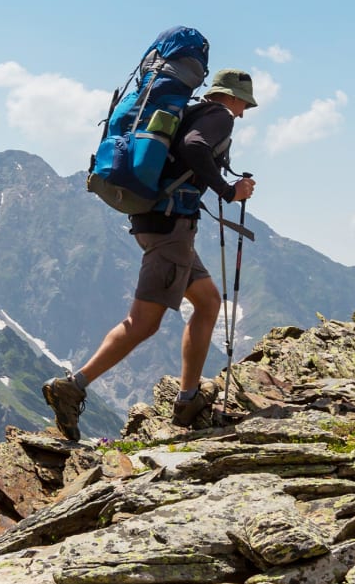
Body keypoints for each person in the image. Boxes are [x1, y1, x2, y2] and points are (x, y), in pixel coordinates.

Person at [43, 69, 260, 441]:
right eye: (244, 105)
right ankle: (73, 386)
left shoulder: (190, 110)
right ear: (234, 97)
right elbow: (194, 147)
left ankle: (188, 399)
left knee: (207, 302)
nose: (242, 113)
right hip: (171, 228)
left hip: (159, 222)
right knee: (144, 322)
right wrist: (228, 190)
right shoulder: (218, 117)